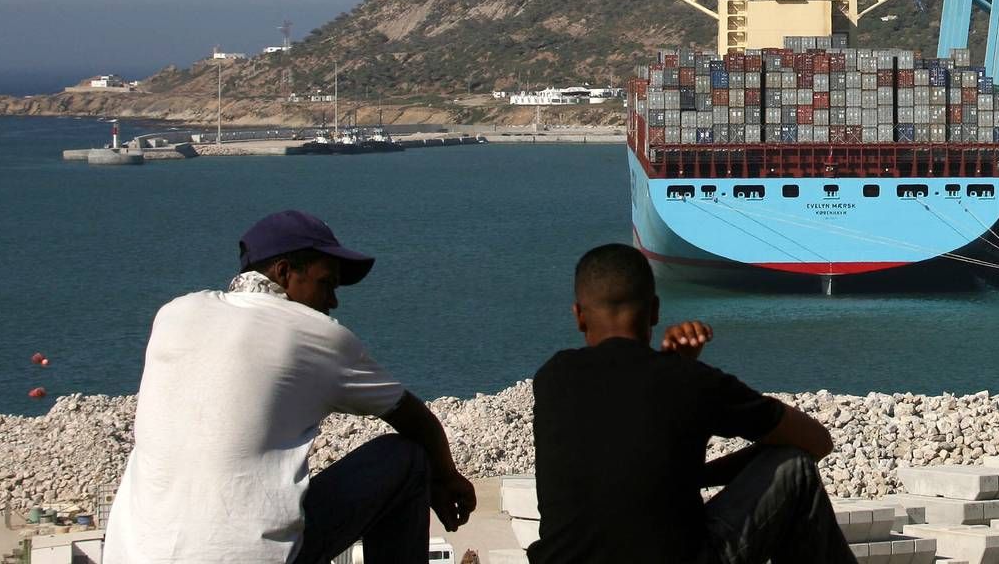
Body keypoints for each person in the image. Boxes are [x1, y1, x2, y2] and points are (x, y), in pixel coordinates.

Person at [104, 210, 476, 564]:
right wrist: (446, 479)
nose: (332, 301)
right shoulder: (313, 333)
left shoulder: (173, 313)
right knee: (406, 458)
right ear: (284, 272)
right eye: (325, 283)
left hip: (131, 554)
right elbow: (415, 419)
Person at [528, 245, 855, 564]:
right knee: (794, 465)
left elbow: (624, 436)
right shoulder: (691, 381)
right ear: (655, 310)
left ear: (579, 317)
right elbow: (816, 442)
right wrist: (684, 369)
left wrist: (677, 369)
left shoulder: (551, 379)